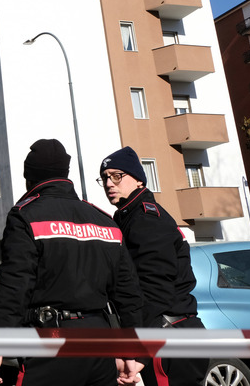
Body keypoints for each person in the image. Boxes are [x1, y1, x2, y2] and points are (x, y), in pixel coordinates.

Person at [0, 139, 144, 386]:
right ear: (65, 174)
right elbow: (128, 293)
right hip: (99, 341)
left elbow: (15, 285)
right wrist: (130, 351)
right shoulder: (104, 221)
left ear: (30, 178)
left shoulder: (26, 216)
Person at [99, 146, 208, 386]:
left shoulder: (146, 218)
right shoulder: (129, 216)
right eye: (105, 177)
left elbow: (155, 287)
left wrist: (141, 350)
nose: (109, 183)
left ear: (138, 179)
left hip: (169, 336)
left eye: (117, 176)